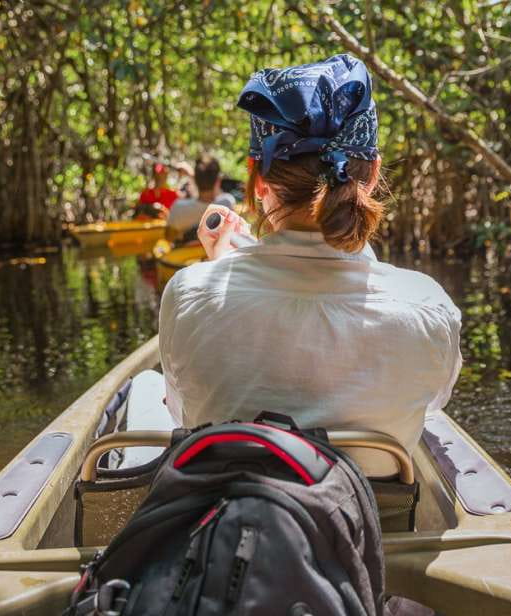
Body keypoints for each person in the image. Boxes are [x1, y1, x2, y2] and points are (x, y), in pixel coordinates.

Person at [158, 54, 462, 475]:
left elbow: (183, 414)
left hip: (232, 520)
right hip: (373, 524)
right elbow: (429, 405)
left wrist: (217, 270)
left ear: (257, 177)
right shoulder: (427, 304)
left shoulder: (189, 292)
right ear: (372, 173)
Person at [166, 154, 236, 243]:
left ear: (195, 179)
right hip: (216, 256)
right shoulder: (227, 204)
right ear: (218, 180)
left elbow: (168, 238)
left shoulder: (178, 207)